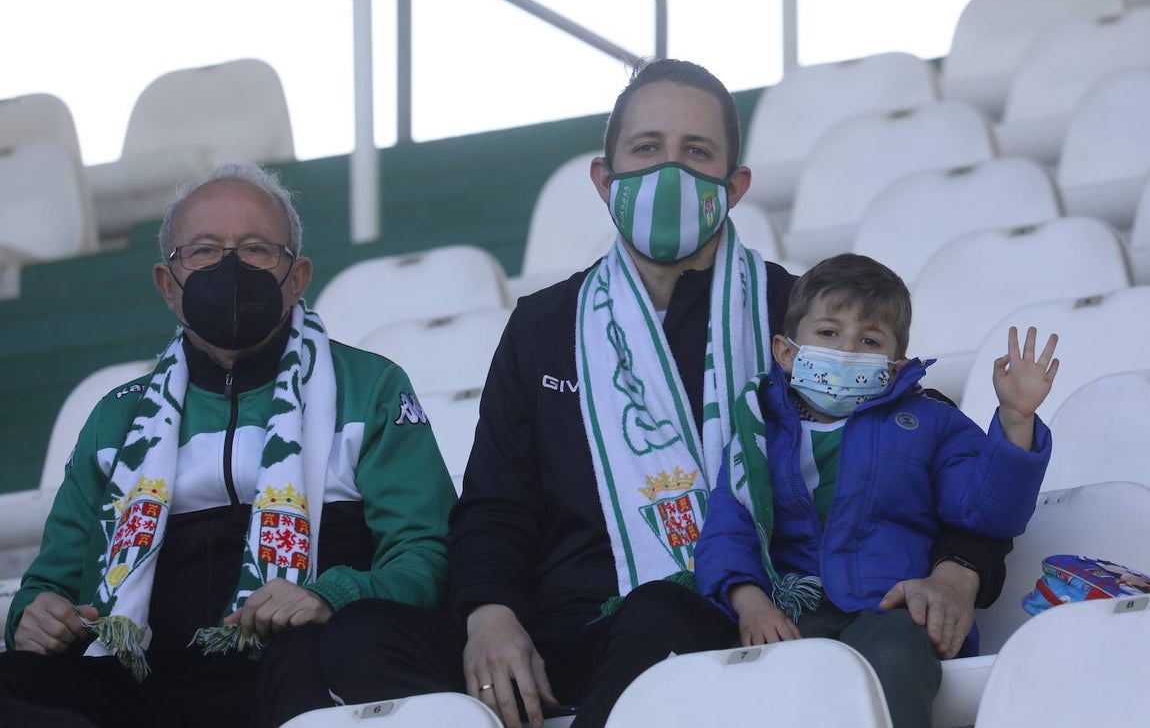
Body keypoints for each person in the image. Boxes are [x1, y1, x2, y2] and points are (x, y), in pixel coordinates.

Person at [310, 59, 1013, 728]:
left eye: (695, 152)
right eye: (646, 148)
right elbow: (497, 504)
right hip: (563, 629)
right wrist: (490, 613)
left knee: (657, 613)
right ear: (604, 177)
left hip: (724, 615)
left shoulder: (800, 315)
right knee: (359, 636)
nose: (669, 170)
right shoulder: (543, 325)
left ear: (734, 186)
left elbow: (927, 445)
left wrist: (956, 575)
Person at [0, 162, 457, 728]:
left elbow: (427, 555)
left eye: (257, 250)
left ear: (297, 277)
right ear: (168, 285)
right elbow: (50, 581)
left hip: (293, 664)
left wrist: (331, 595)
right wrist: (32, 613)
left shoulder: (371, 387)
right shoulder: (117, 418)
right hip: (144, 685)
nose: (231, 268)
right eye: (204, 251)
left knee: (311, 656)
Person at [694, 253, 1059, 728]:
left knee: (892, 659)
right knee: (767, 684)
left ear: (893, 366)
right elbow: (727, 529)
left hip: (893, 605)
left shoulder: (930, 421)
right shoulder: (757, 432)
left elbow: (989, 513)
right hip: (793, 610)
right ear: (786, 352)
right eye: (828, 333)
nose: (846, 350)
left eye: (868, 341)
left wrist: (1016, 420)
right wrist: (751, 602)